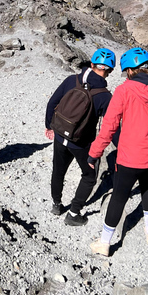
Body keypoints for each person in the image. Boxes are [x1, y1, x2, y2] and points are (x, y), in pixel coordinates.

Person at [87, 47, 148, 256]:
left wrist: (94, 153)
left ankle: (105, 243)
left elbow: (109, 128)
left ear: (130, 71)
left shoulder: (124, 91)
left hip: (130, 157)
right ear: (147, 66)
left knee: (119, 196)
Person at [45, 48, 116, 226]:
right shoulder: (105, 97)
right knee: (89, 176)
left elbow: (52, 103)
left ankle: (56, 204)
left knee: (58, 170)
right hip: (81, 143)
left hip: (60, 135)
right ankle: (74, 213)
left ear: (91, 65)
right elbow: (110, 127)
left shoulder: (72, 80)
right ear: (110, 71)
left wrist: (49, 126)